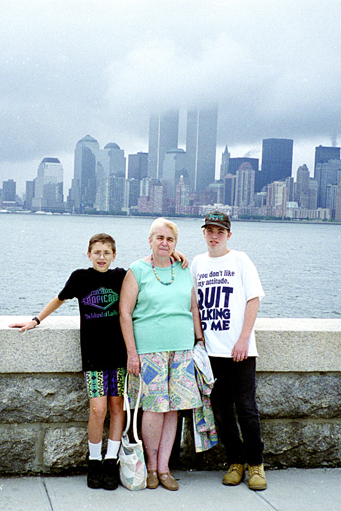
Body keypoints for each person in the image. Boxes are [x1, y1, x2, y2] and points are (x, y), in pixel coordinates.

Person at [9, 233, 126, 490]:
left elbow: (149, 268)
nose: (102, 257)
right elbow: (59, 299)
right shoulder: (80, 278)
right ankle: (94, 461)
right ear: (89, 254)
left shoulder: (121, 276)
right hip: (94, 355)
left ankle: (111, 461)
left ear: (114, 255)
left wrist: (176, 255)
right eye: (97, 252)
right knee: (98, 409)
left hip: (118, 354)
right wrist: (35, 320)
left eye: (107, 253)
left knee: (118, 408)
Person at [119, 218, 201, 492]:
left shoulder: (184, 268)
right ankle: (151, 467)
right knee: (154, 408)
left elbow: (193, 308)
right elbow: (125, 313)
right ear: (150, 240)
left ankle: (165, 468)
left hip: (182, 349)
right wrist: (132, 352)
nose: (164, 243)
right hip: (148, 350)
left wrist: (199, 340)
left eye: (170, 239)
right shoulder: (137, 270)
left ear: (176, 244)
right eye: (159, 238)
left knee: (174, 407)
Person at [189, 211, 267, 491]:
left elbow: (253, 299)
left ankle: (256, 464)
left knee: (246, 409)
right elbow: (195, 305)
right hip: (211, 353)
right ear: (203, 233)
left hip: (240, 351)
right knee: (220, 411)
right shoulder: (197, 263)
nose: (214, 236)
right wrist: (200, 339)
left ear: (228, 235)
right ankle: (236, 461)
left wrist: (244, 339)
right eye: (209, 230)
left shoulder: (240, 259)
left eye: (219, 231)